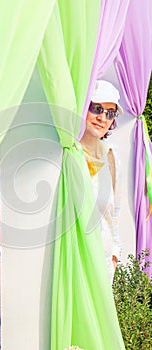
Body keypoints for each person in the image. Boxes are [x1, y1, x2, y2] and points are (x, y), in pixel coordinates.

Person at [80, 79, 123, 283]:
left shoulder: (111, 156)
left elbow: (114, 210)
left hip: (104, 267)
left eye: (110, 113)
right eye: (96, 108)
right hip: (77, 263)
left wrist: (115, 253)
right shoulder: (69, 154)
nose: (102, 117)